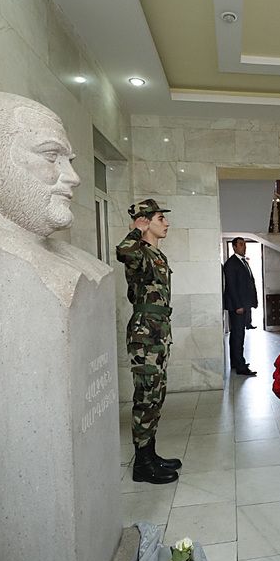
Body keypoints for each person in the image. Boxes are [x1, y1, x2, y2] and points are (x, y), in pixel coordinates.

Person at [116, 199, 181, 484]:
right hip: (145, 334)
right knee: (146, 396)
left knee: (156, 395)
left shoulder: (156, 254)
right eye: (159, 219)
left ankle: (150, 454)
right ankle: (142, 465)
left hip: (158, 332)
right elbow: (123, 251)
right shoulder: (138, 251)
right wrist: (136, 230)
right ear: (145, 222)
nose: (166, 223)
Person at [222, 237, 258, 376]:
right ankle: (240, 366)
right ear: (234, 247)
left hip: (244, 304)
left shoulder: (242, 261)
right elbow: (231, 286)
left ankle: (236, 362)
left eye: (245, 244)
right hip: (238, 307)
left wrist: (253, 301)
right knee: (238, 336)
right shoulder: (231, 263)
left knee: (237, 335)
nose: (244, 247)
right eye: (241, 244)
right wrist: (238, 305)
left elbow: (249, 282)